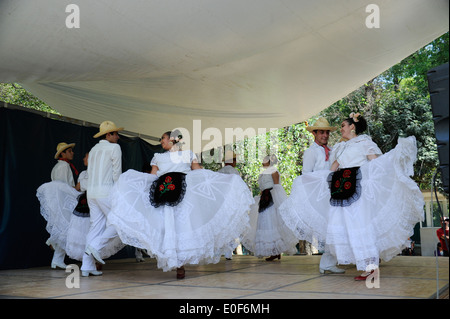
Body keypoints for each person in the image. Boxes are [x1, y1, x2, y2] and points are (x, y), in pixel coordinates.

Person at [278, 113, 424, 281]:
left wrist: (388, 165)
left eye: (342, 126)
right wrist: (311, 182)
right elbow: (332, 170)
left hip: (357, 189)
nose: (340, 129)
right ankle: (360, 264)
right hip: (341, 190)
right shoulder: (341, 147)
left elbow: (376, 163)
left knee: (361, 225)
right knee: (346, 228)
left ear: (352, 127)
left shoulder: (365, 143)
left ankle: (370, 268)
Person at [106, 130, 254, 279]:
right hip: (164, 195)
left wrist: (215, 180)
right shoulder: (158, 157)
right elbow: (151, 177)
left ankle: (180, 264)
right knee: (170, 228)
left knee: (182, 226)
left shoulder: (187, 154)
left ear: (172, 140)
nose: (160, 141)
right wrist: (135, 185)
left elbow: (198, 172)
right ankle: (178, 264)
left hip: (185, 195)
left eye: (162, 138)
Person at [81, 121, 125, 277]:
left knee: (95, 227)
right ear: (108, 135)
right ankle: (96, 246)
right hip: (106, 191)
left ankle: (86, 266)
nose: (118, 137)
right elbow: (117, 174)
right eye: (115, 133)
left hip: (91, 192)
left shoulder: (93, 149)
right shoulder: (114, 148)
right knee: (119, 221)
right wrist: (119, 192)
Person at [303, 118, 345, 274]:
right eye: (321, 132)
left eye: (327, 132)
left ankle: (328, 262)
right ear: (314, 133)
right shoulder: (311, 152)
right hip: (320, 195)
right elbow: (305, 176)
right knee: (328, 228)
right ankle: (327, 262)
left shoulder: (332, 149)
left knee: (335, 227)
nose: (325, 135)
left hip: (333, 193)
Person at [242, 155, 298, 261]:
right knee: (263, 223)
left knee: (271, 223)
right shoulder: (263, 173)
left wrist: (278, 201)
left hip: (271, 199)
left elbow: (277, 186)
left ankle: (276, 251)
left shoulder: (273, 171)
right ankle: (273, 251)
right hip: (264, 199)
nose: (262, 161)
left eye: (264, 160)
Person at [37, 142, 78, 269]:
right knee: (66, 228)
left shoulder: (60, 166)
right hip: (63, 201)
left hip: (61, 200)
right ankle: (52, 242)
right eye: (69, 151)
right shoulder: (63, 167)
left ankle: (57, 259)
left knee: (64, 229)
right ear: (63, 154)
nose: (72, 153)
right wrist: (76, 192)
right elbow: (62, 187)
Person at [218, 150, 244, 260]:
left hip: (220, 203)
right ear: (232, 161)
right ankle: (228, 252)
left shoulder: (219, 172)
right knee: (231, 226)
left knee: (220, 226)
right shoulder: (234, 172)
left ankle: (218, 252)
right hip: (231, 202)